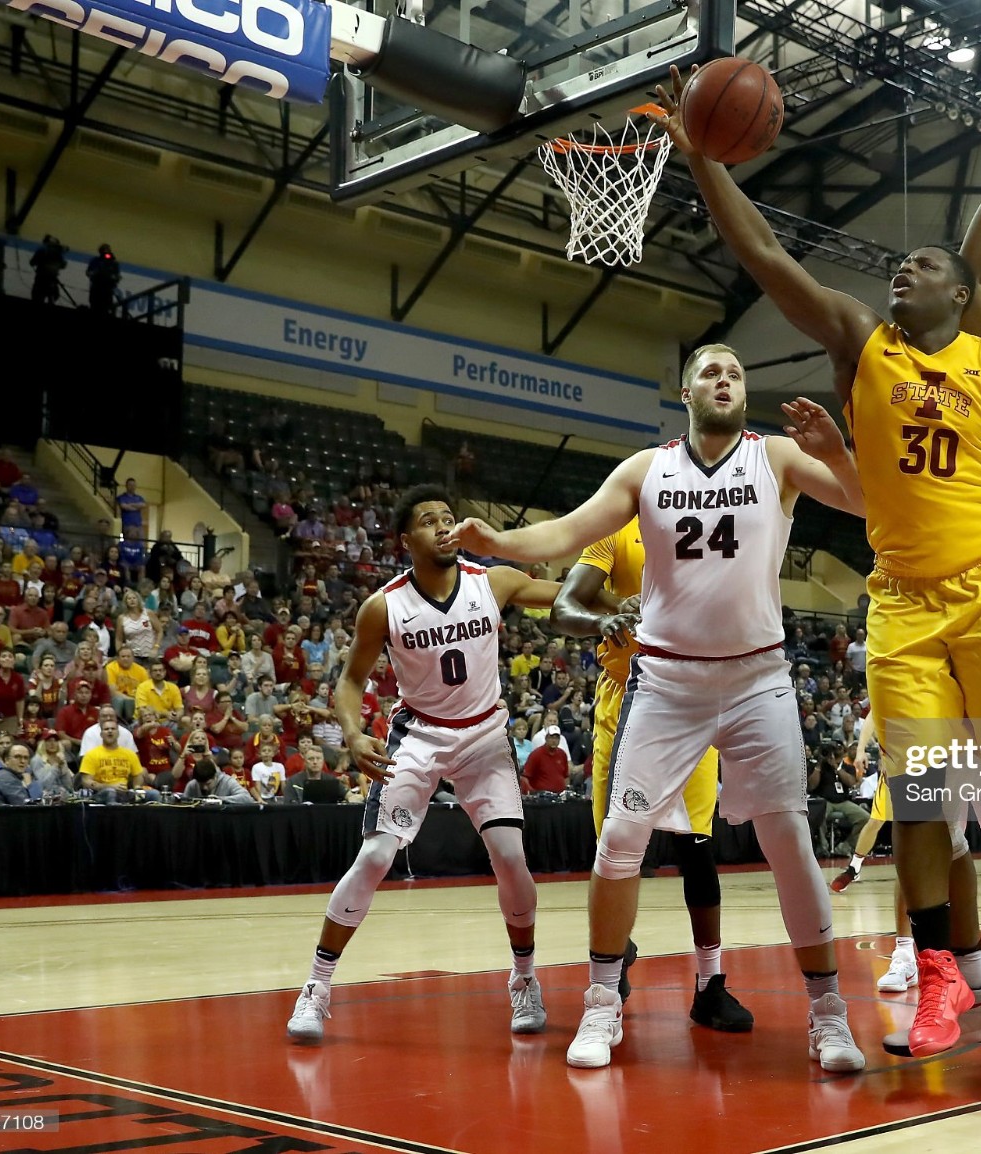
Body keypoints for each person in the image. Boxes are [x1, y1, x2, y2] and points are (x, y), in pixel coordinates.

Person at [650, 76, 981, 1057]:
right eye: (898, 266)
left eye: (922, 266)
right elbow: (765, 255)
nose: (901, 272)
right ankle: (938, 978)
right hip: (903, 602)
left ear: (960, 298)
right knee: (920, 804)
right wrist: (703, 161)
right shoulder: (858, 341)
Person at [457, 344, 869, 1074]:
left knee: (789, 846)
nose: (724, 380)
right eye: (711, 372)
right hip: (667, 682)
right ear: (686, 392)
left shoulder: (776, 456)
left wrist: (836, 451)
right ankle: (602, 1003)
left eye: (736, 372)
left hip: (758, 679)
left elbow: (870, 502)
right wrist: (500, 543)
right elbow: (567, 532)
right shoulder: (647, 470)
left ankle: (828, 1013)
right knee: (620, 841)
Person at [286, 485, 563, 1045]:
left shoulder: (494, 581)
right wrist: (353, 733)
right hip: (419, 735)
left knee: (511, 857)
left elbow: (568, 595)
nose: (442, 526)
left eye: (448, 517)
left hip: (484, 734)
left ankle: (524, 978)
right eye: (429, 520)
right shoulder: (384, 606)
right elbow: (350, 681)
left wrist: (628, 588)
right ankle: (316, 986)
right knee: (375, 856)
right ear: (405, 539)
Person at [551, 516, 754, 1032]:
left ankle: (710, 984)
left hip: (691, 698)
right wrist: (603, 617)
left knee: (697, 847)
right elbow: (565, 605)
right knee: (615, 850)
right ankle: (610, 970)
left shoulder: (713, 525)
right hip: (625, 696)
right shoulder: (615, 531)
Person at [31, 235, 66, 305]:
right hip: (51, 280)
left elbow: (32, 262)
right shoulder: (57, 253)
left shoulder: (42, 251)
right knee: (51, 297)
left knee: (38, 297)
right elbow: (63, 265)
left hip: (41, 279)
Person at [86, 243, 121, 313]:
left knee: (106, 309)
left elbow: (117, 277)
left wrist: (113, 277)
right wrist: (97, 272)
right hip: (96, 290)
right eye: (105, 251)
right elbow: (88, 273)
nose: (106, 253)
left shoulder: (113, 263)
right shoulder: (95, 261)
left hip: (107, 291)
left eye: (108, 251)